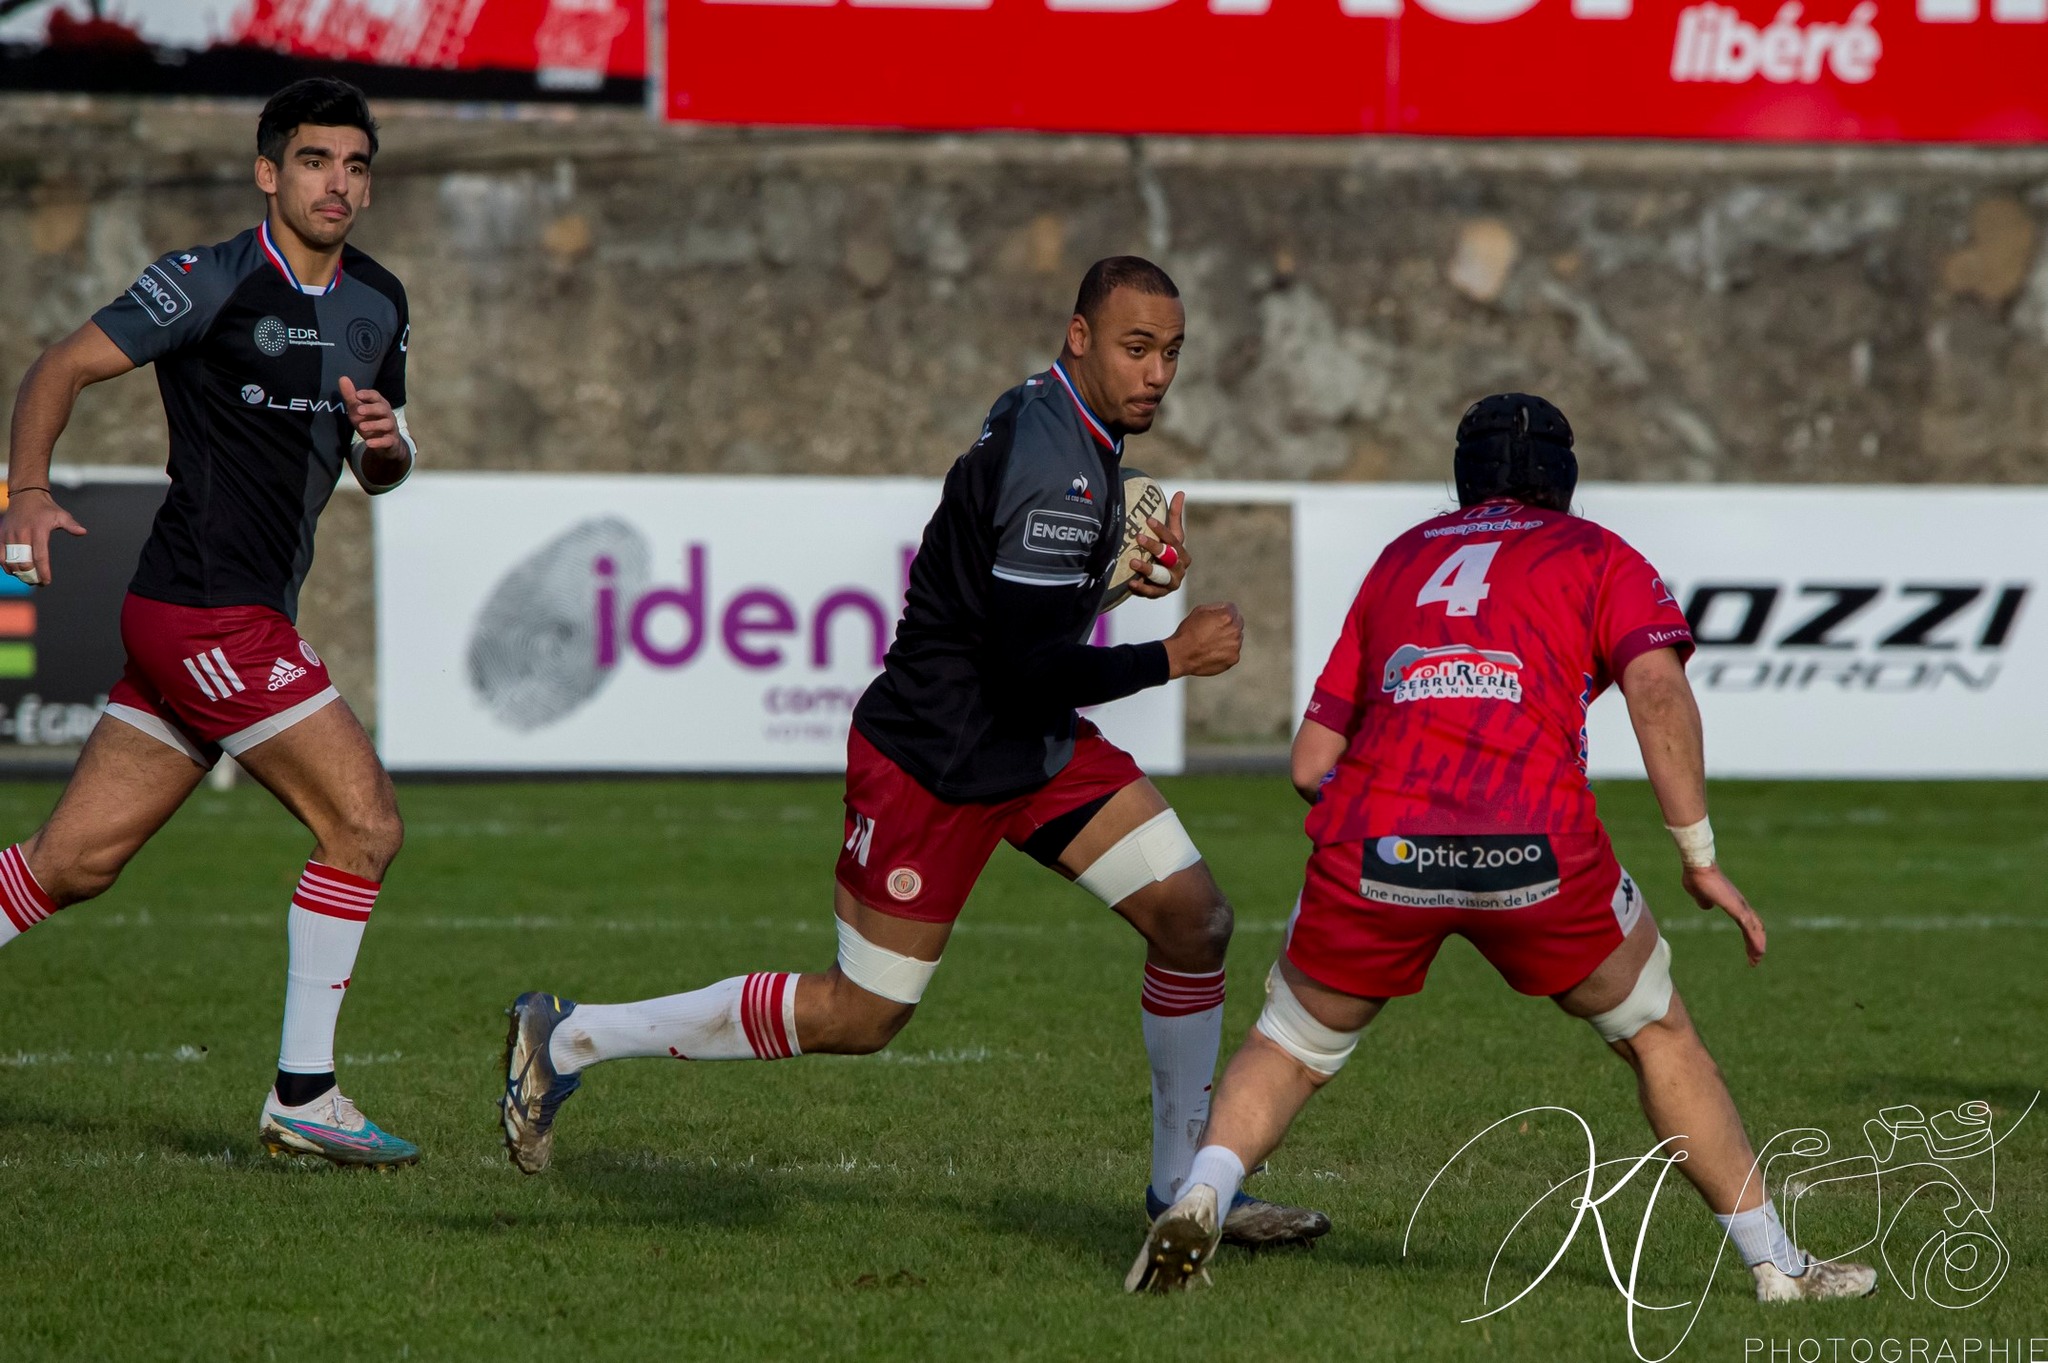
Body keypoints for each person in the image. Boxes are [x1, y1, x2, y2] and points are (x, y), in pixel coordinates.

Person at [501, 257, 1328, 1247]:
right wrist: (1170, 656)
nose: (1156, 371)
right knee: (863, 1014)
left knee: (1194, 922)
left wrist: (1114, 579)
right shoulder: (1056, 461)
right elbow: (1025, 665)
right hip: (937, 757)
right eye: (1135, 347)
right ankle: (574, 1033)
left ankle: (1184, 1192)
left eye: (1170, 351)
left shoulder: (1054, 419)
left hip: (1032, 746)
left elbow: (1015, 616)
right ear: (1078, 338)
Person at [1127, 394, 1877, 1301]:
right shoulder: (1598, 554)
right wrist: (1699, 854)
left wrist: (1393, 823)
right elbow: (1657, 691)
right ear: (1565, 477)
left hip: (1380, 841)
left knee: (1287, 1044)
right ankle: (1777, 1266)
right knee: (1657, 1034)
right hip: (1534, 843)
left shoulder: (1402, 557)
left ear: (1461, 474)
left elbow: (1308, 763)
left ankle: (1200, 1194)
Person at [0, 79, 421, 1168]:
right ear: (268, 172)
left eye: (357, 164)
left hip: (206, 621)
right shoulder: (207, 281)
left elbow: (386, 466)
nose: (340, 182)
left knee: (72, 861)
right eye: (318, 160)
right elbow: (62, 365)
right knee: (365, 826)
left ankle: (304, 1096)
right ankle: (304, 1094)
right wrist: (29, 492)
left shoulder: (379, 302)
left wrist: (384, 446)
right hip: (209, 617)